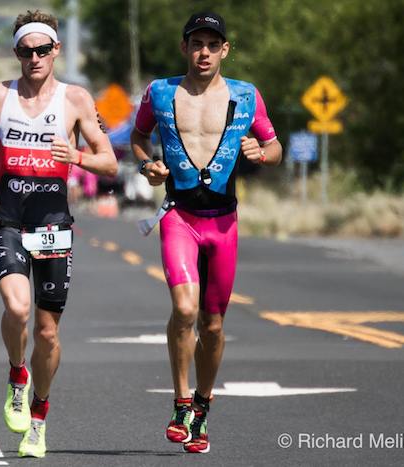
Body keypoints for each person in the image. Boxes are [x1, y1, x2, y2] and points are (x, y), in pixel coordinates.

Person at [0, 10, 117, 458]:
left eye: (43, 49)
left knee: (47, 332)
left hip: (53, 225)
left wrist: (77, 157)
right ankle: (16, 375)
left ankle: (39, 418)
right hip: (8, 218)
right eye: (26, 51)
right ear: (17, 54)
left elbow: (110, 163)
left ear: (56, 51)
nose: (35, 57)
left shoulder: (76, 100)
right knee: (17, 306)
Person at [131, 11, 282, 454]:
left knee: (213, 325)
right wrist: (147, 165)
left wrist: (262, 151)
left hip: (223, 221)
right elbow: (138, 137)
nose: (204, 52)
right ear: (185, 48)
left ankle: (201, 405)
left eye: (212, 45)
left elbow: (275, 146)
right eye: (196, 44)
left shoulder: (246, 96)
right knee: (184, 308)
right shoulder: (160, 92)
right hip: (179, 216)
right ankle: (179, 401)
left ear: (224, 51)